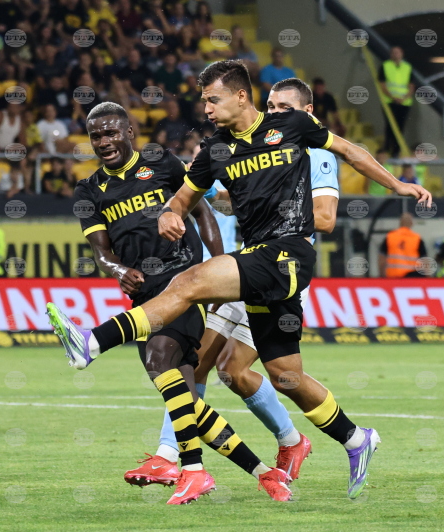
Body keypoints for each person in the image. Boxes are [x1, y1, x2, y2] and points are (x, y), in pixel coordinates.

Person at [48, 61, 432, 501]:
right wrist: (171, 213)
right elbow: (185, 198)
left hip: (288, 252)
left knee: (189, 282)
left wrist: (397, 185)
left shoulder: (291, 125)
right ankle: (355, 438)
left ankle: (92, 343)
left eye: (213, 100)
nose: (206, 109)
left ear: (240, 96)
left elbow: (349, 151)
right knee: (284, 375)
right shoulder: (215, 151)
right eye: (204, 101)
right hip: (259, 263)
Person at [59, 101, 293, 505]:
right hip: (144, 298)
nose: (104, 142)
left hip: (185, 284)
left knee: (160, 358)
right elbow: (101, 252)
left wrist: (219, 272)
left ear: (129, 132)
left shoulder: (161, 163)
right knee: (184, 400)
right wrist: (118, 269)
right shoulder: (88, 190)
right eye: (96, 136)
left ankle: (92, 344)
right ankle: (262, 474)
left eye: (111, 133)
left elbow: (202, 212)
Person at [134, 77, 339, 492]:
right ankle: (288, 442)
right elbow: (239, 203)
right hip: (244, 265)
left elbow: (324, 218)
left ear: (306, 112)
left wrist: (263, 208)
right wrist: (216, 189)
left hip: (276, 270)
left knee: (250, 370)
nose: (274, 115)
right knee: (224, 369)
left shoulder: (314, 153)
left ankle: (171, 455)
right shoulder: (254, 145)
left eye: (284, 109)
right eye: (271, 106)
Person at [378, 46, 415, 156]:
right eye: (393, 52)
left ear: (402, 54)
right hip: (389, 102)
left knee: (400, 127)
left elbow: (411, 85)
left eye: (397, 52)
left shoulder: (407, 67)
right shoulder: (385, 66)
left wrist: (404, 98)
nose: (395, 54)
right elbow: (382, 85)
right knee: (390, 126)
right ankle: (387, 148)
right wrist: (393, 97)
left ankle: (396, 150)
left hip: (404, 103)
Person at [378, 213, 427, 278]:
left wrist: (382, 276)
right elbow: (425, 261)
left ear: (400, 223)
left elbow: (382, 260)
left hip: (393, 277)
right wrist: (427, 278)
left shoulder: (390, 237)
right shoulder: (417, 239)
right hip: (412, 278)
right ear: (411, 223)